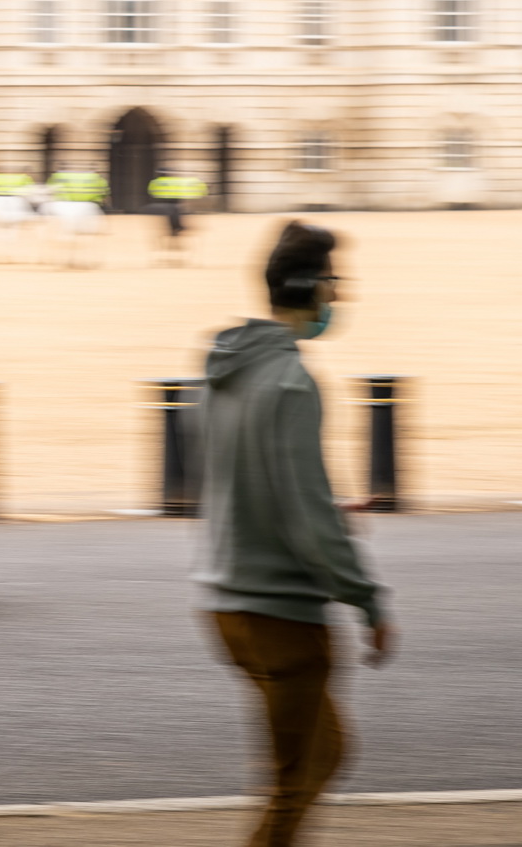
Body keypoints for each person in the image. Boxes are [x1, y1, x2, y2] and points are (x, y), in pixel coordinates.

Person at [194, 220, 394, 847]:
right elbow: (303, 517)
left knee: (327, 754)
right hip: (280, 615)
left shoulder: (224, 368)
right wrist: (366, 598)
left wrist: (325, 505)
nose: (338, 297)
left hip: (224, 604)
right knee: (292, 786)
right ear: (311, 287)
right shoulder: (292, 380)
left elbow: (244, 480)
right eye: (334, 282)